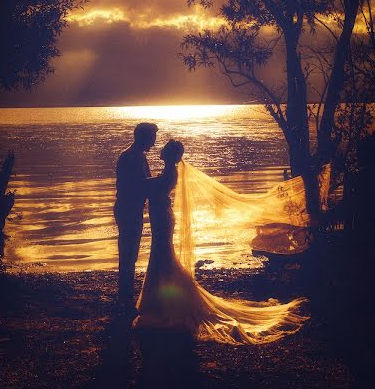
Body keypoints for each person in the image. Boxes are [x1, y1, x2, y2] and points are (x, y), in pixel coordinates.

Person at [134, 139, 309, 345]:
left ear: (170, 155)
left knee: (162, 253)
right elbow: (150, 186)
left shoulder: (170, 172)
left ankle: (165, 304)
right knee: (161, 254)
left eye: (164, 150)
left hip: (162, 218)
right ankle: (160, 301)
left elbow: (148, 187)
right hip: (161, 217)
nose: (160, 151)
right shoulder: (168, 171)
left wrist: (141, 178)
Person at [114, 122, 158, 306]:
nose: (154, 144)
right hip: (127, 209)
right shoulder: (129, 157)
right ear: (143, 137)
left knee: (131, 252)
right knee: (128, 252)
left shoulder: (138, 156)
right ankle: (124, 295)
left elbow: (144, 183)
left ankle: (126, 292)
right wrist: (163, 182)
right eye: (152, 139)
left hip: (133, 208)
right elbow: (139, 185)